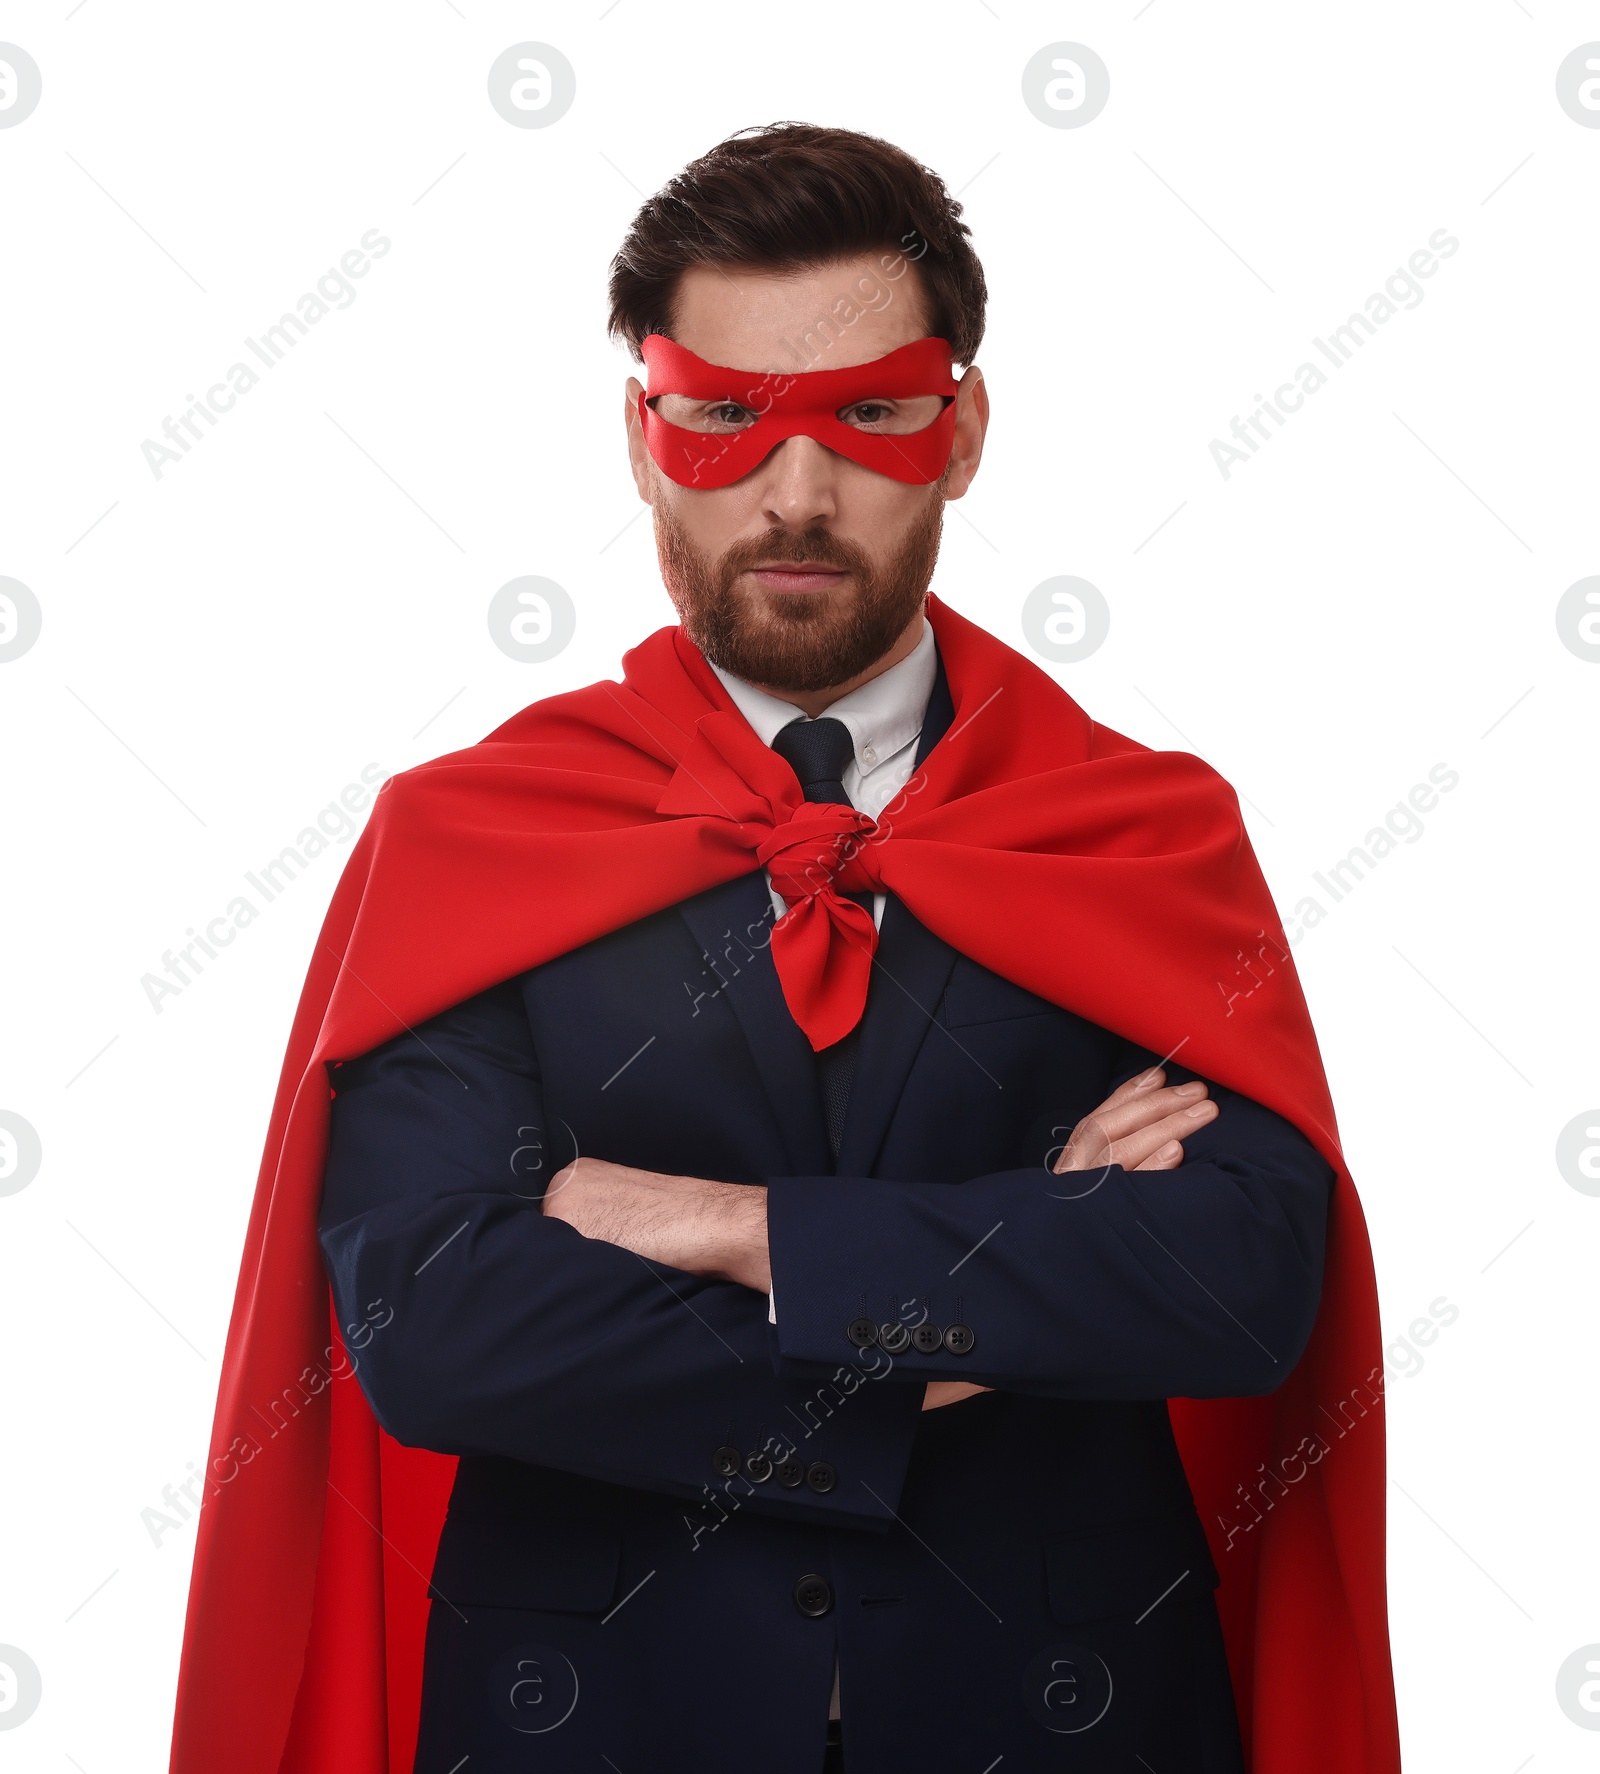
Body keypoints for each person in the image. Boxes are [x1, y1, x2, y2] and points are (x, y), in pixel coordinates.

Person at [169, 125, 1399, 1774]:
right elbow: (434, 1320)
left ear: (959, 431)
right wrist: (987, 1303)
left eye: (871, 413)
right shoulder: (478, 834)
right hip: (589, 1726)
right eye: (727, 416)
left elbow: (1239, 1279)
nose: (798, 491)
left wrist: (721, 1228)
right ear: (642, 434)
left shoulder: (1133, 828)